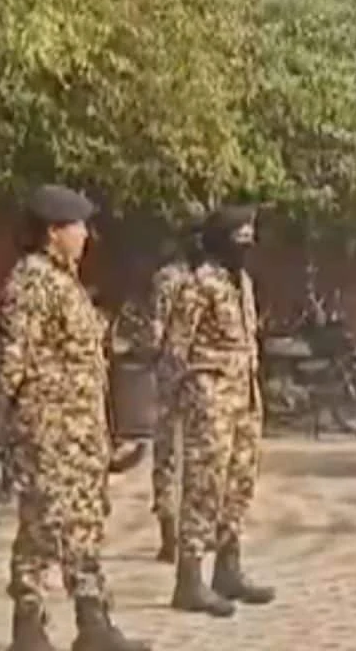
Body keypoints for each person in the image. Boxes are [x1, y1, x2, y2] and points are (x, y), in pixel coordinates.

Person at [0, 184, 148, 651]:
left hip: (80, 434)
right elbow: (12, 363)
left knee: (82, 523)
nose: (85, 235)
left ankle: (93, 625)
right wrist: (9, 425)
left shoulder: (65, 283)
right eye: (78, 226)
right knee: (42, 526)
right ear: (52, 232)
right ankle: (28, 629)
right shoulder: (31, 281)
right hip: (49, 433)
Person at [160, 205, 274, 619]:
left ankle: (228, 569)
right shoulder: (199, 284)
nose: (246, 247)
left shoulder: (242, 282)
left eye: (250, 239)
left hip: (244, 397)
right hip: (210, 400)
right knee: (204, 485)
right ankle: (189, 579)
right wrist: (177, 399)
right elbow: (175, 347)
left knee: (239, 484)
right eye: (239, 239)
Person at [148, 217, 203, 563]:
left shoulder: (167, 278)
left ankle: (173, 535)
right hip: (196, 377)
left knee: (170, 455)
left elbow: (156, 333)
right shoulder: (208, 279)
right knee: (192, 454)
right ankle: (184, 534)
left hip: (176, 374)